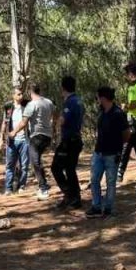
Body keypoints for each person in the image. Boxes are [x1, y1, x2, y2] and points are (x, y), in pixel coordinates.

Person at [88, 86, 131, 219]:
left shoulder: (118, 114)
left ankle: (109, 208)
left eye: (98, 97)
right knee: (94, 179)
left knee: (110, 182)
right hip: (98, 152)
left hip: (112, 154)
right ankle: (96, 206)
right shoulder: (101, 112)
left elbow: (126, 134)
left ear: (103, 98)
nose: (97, 100)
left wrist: (117, 147)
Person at [9, 82, 55, 200]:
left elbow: (24, 123)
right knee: (37, 160)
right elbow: (55, 115)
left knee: (35, 162)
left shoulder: (31, 105)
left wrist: (14, 132)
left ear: (30, 92)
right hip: (48, 136)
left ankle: (44, 189)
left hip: (36, 137)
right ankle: (42, 186)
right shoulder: (48, 102)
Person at [51, 75, 85, 211]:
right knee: (70, 169)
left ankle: (70, 195)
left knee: (56, 167)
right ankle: (74, 197)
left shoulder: (69, 102)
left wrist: (56, 119)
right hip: (76, 138)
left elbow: (63, 121)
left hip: (69, 141)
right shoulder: (79, 101)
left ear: (63, 88)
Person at [1, 88, 30, 194]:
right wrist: (1, 139)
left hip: (24, 140)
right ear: (13, 96)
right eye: (18, 94)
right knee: (10, 165)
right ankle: (8, 188)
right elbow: (4, 123)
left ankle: (22, 186)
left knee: (24, 165)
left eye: (22, 94)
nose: (21, 96)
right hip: (11, 141)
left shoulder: (27, 105)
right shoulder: (8, 107)